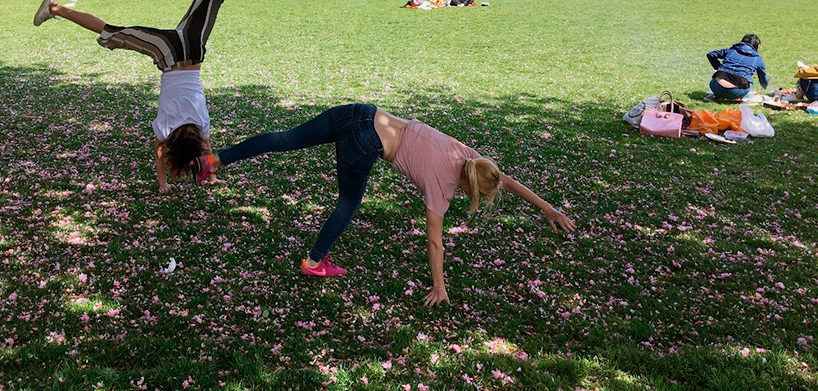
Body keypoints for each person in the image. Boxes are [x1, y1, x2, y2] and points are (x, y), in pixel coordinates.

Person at [189, 105, 575, 299]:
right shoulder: (442, 187)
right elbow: (435, 242)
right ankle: (313, 261)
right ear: (473, 189)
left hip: (360, 113)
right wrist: (439, 285)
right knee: (348, 203)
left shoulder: (468, 155)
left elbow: (504, 179)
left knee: (285, 138)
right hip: (366, 143)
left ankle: (213, 160)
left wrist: (547, 208)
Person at [34, 0, 259, 193]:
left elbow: (206, 146)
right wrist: (163, 183)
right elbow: (160, 152)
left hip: (192, 48)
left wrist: (211, 176)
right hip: (166, 54)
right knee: (112, 32)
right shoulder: (165, 129)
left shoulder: (201, 124)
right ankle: (55, 8)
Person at [707, 34, 768, 101]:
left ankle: (719, 96)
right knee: (749, 83)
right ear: (758, 46)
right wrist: (765, 87)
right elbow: (763, 78)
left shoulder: (731, 50)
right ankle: (743, 97)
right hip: (737, 92)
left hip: (717, 88)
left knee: (717, 77)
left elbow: (711, 54)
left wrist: (718, 68)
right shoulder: (758, 59)